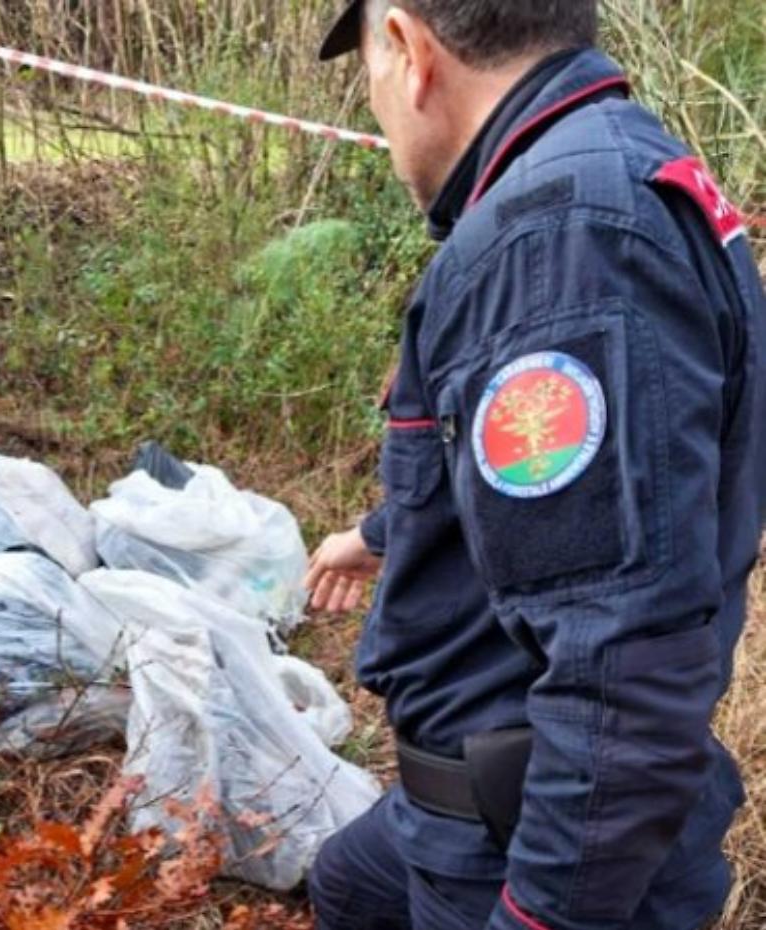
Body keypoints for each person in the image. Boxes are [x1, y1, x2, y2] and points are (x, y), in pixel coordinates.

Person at [304, 2, 766, 928]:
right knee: (352, 885)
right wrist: (381, 532)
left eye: (367, 76)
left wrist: (539, 915)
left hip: (526, 835)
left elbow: (623, 671)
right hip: (473, 796)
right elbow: (572, 480)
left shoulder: (555, 244)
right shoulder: (611, 165)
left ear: (408, 48)